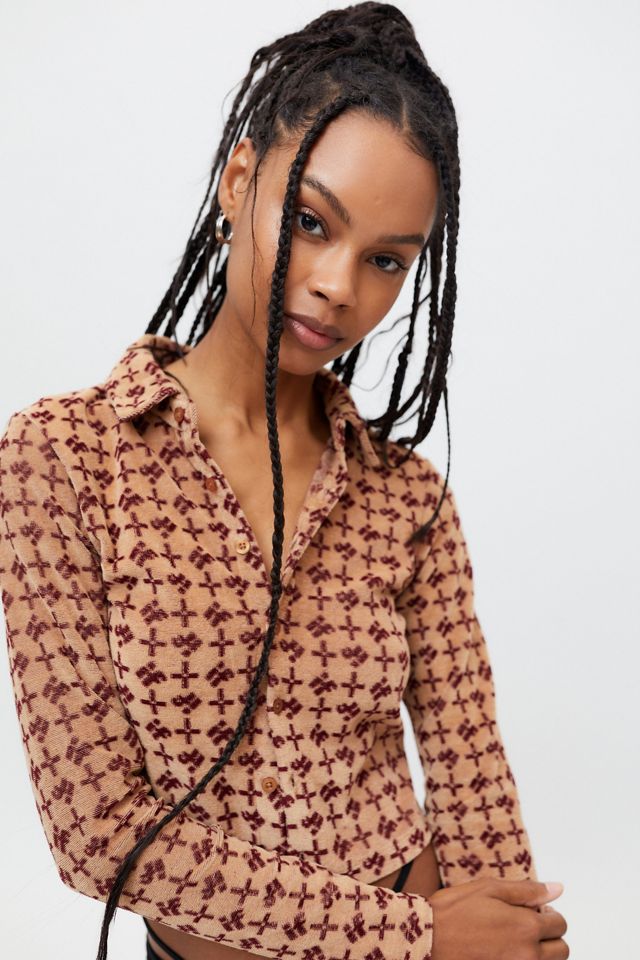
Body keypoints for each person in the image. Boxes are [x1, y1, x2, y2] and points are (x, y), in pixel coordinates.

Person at [0, 3, 569, 960]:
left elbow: (474, 788)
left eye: (385, 260)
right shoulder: (63, 458)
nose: (340, 285)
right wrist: (412, 937)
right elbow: (99, 836)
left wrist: (517, 940)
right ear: (238, 181)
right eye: (310, 223)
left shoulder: (407, 501)